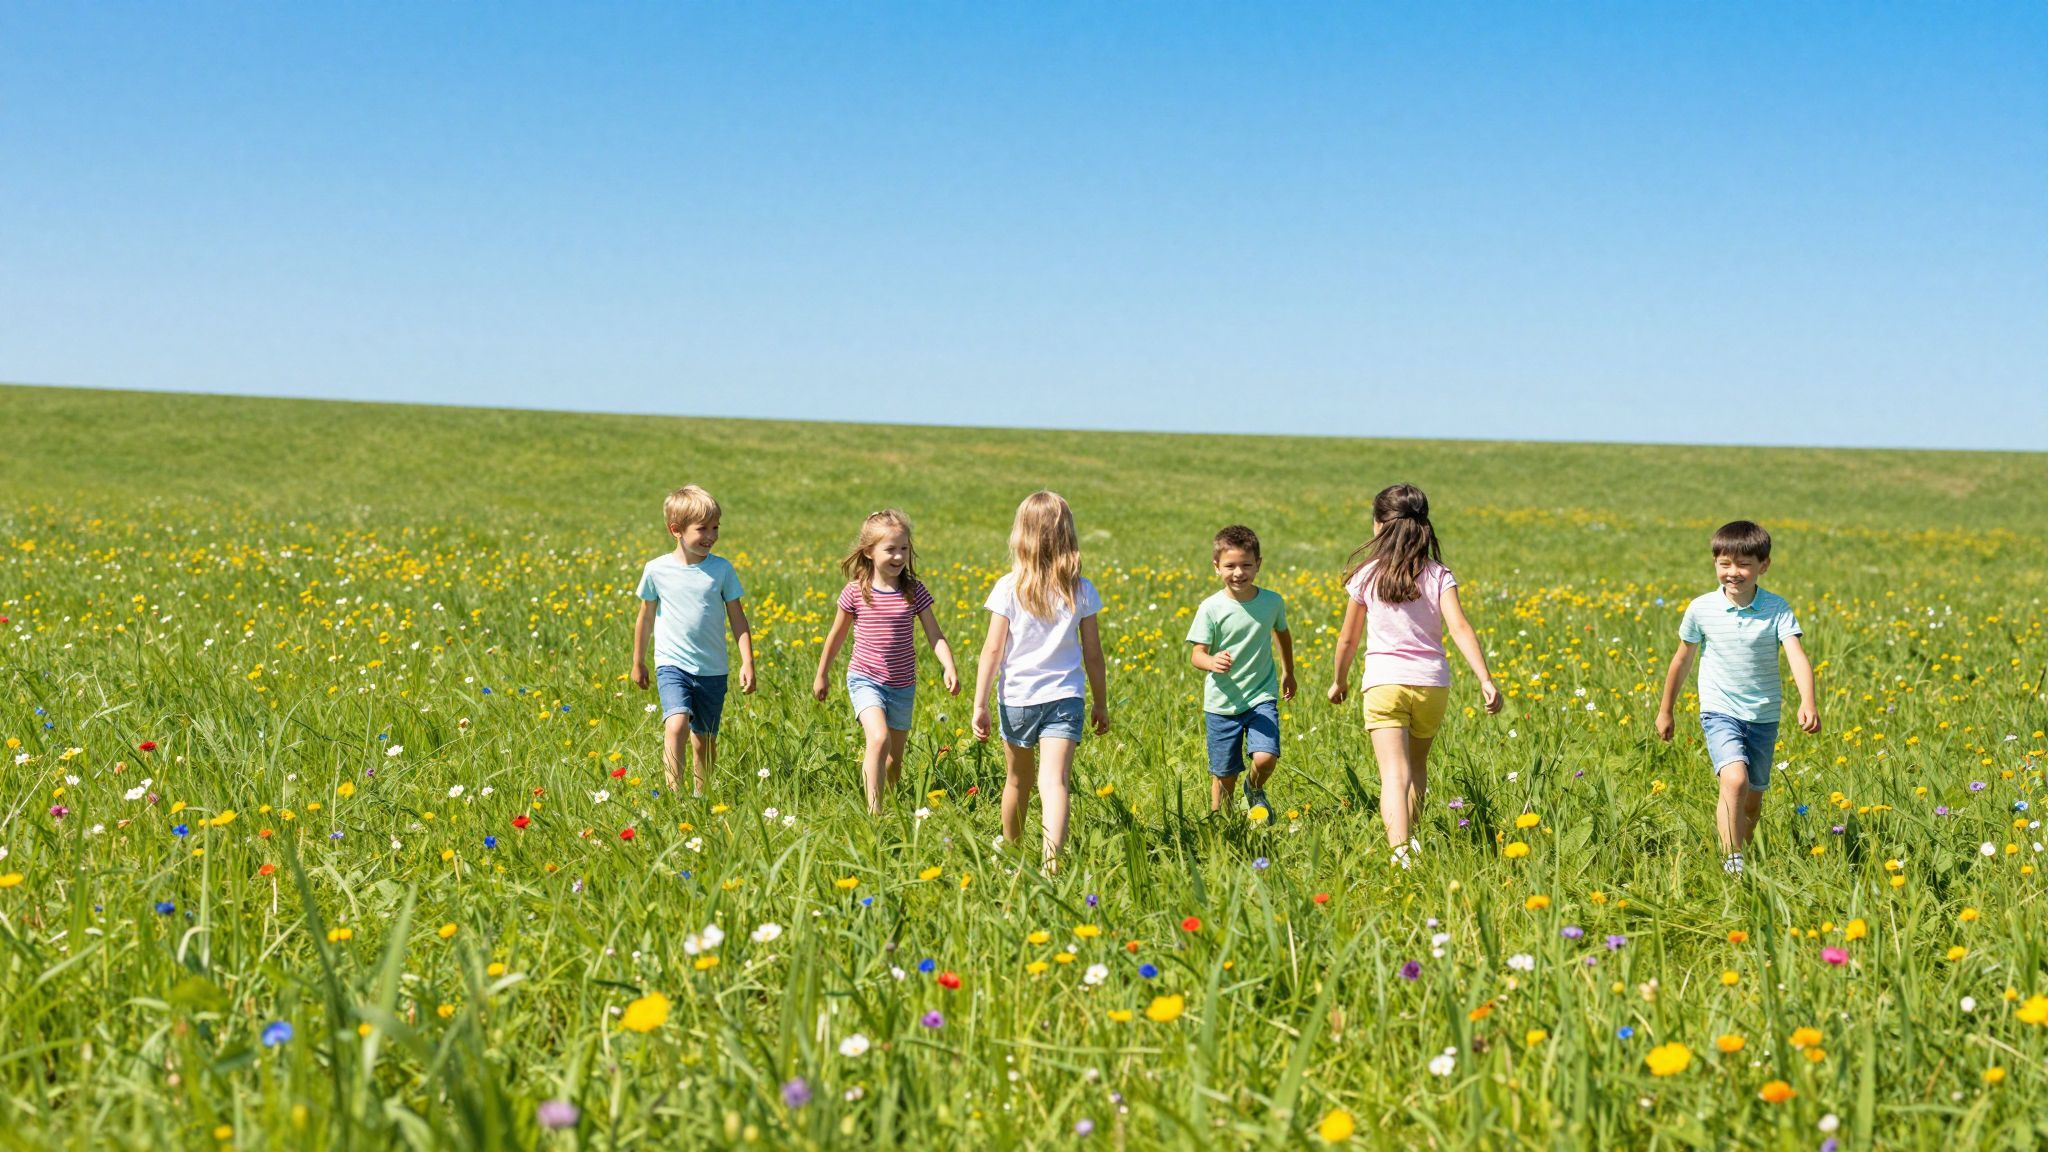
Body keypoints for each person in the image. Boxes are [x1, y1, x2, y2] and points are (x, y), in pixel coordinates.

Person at [1328, 484, 1501, 865]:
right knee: (1417, 767)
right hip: (1431, 685)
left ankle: (1399, 851)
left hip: (1384, 684)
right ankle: (1411, 840)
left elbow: (1347, 639)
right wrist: (1485, 678)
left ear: (1378, 526)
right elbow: (1460, 628)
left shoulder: (1367, 576)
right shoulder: (1439, 575)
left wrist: (1339, 680)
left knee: (1393, 773)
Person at [1655, 519, 1820, 875]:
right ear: (1715, 563)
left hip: (1763, 714)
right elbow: (1682, 658)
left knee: (1752, 803)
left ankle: (1742, 851)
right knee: (1734, 780)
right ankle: (1732, 864)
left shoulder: (1777, 609)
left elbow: (1796, 655)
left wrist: (1808, 701)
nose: (1734, 572)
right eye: (1725, 564)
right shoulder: (1701, 609)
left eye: (1744, 564)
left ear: (1764, 565)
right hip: (1719, 708)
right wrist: (1665, 709)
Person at [971, 491, 1111, 867]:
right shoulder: (1081, 589)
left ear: (1021, 535)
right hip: (1065, 697)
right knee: (1055, 782)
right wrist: (1100, 702)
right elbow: (1093, 655)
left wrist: (980, 704)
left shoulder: (1009, 587)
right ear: (1067, 534)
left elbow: (992, 651)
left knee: (1017, 781)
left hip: (1018, 699)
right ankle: (1052, 864)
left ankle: (1012, 849)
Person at [813, 509, 961, 813]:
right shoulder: (855, 592)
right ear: (869, 552)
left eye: (904, 549)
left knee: (894, 760)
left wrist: (949, 665)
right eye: (890, 549)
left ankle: (889, 798)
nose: (898, 556)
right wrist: (822, 673)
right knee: (878, 739)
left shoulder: (913, 591)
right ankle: (874, 814)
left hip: (902, 685)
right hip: (865, 678)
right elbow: (836, 636)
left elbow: (935, 634)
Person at [630, 485, 755, 797]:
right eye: (703, 529)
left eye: (715, 528)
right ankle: (674, 797)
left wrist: (747, 661)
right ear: (676, 530)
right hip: (672, 665)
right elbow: (645, 618)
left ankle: (702, 797)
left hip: (713, 669)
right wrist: (638, 661)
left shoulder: (722, 569)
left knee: (705, 740)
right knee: (676, 725)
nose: (711, 536)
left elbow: (737, 617)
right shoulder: (657, 570)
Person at [1186, 524, 1296, 821]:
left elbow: (1282, 634)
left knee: (1266, 756)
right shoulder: (1211, 608)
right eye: (1230, 566)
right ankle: (1220, 822)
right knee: (1224, 774)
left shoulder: (1272, 602)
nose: (1238, 572)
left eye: (1246, 565)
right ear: (1216, 567)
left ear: (1258, 564)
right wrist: (1211, 662)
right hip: (1222, 703)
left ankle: (1254, 787)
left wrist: (1289, 672)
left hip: (1261, 694)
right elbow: (1197, 654)